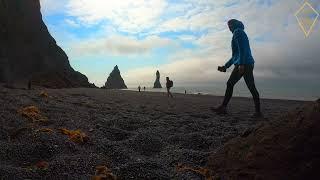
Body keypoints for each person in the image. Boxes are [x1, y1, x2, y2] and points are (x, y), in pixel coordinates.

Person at [213, 19, 262, 118]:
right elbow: (235, 55)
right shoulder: (239, 32)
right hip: (246, 63)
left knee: (231, 84)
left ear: (234, 25)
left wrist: (241, 64)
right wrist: (225, 66)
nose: (229, 27)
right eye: (228, 26)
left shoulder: (238, 32)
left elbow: (242, 49)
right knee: (250, 87)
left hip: (244, 63)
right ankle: (258, 112)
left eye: (230, 25)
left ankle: (223, 107)